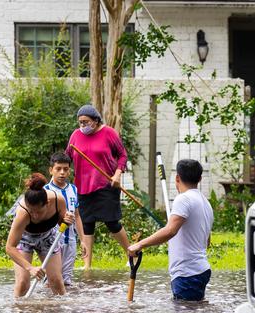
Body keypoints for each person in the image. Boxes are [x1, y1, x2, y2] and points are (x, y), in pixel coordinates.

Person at [128, 159, 214, 301]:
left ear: (177, 178)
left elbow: (170, 231)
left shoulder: (183, 199)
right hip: (200, 270)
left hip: (187, 273)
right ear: (200, 178)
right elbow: (206, 241)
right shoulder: (205, 202)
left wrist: (140, 244)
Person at [66, 104, 131, 270]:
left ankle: (131, 253)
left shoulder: (108, 133)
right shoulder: (75, 136)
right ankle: (87, 264)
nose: (82, 125)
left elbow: (123, 154)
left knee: (112, 223)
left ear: (95, 120)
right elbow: (67, 157)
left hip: (106, 184)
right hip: (82, 185)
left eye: (85, 121)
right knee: (87, 224)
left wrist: (117, 174)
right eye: (80, 122)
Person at [6, 173, 74, 297]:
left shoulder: (58, 201)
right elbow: (10, 247)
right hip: (25, 239)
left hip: (48, 237)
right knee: (23, 284)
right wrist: (30, 268)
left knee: (56, 281)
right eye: (31, 211)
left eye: (38, 211)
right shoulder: (22, 213)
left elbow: (62, 222)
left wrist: (67, 220)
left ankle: (62, 312)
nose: (35, 216)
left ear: (47, 203)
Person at [44, 152, 83, 287]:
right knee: (52, 278)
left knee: (67, 280)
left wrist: (83, 240)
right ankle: (47, 305)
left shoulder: (73, 189)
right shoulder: (46, 191)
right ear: (51, 170)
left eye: (65, 169)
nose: (62, 173)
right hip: (52, 240)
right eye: (58, 169)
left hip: (70, 240)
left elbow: (77, 216)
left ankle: (63, 306)